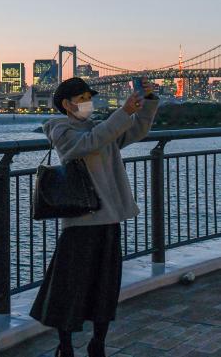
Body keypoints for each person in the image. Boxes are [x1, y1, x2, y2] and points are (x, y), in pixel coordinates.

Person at [29, 76, 159, 357]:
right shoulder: (60, 130)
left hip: (109, 219)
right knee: (69, 288)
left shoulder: (101, 128)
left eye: (89, 98)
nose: (88, 104)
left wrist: (146, 103)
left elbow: (137, 130)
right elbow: (87, 144)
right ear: (66, 104)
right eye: (82, 99)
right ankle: (65, 346)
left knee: (106, 287)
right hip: (81, 222)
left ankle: (97, 342)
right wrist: (123, 112)